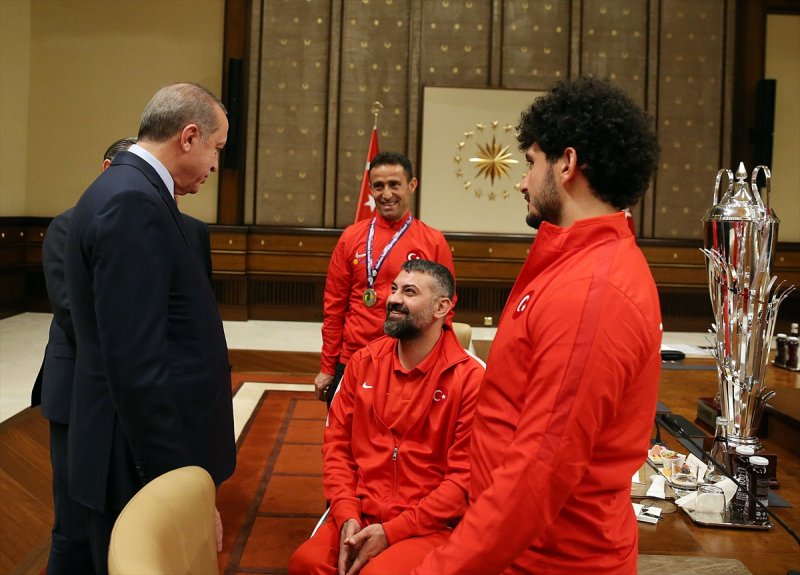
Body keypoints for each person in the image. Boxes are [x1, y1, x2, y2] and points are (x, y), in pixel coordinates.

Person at [414, 77, 662, 574]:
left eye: (530, 162)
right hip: (517, 547)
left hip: (551, 559)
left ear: (566, 164)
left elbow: (540, 470)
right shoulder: (574, 265)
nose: (522, 182)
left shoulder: (593, 289)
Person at [63, 83, 235, 574]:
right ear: (189, 137)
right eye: (216, 149)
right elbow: (135, 362)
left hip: (128, 445)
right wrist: (174, 480)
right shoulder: (132, 202)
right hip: (133, 457)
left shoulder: (132, 189)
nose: (215, 164)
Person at [290, 259, 484, 575]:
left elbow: (463, 481)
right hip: (360, 514)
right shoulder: (362, 363)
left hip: (432, 525)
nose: (393, 299)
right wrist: (347, 514)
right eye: (394, 289)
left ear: (441, 307)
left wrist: (392, 531)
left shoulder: (471, 379)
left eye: (409, 292)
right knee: (306, 563)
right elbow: (337, 449)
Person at [31, 136, 134, 574]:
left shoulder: (150, 228)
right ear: (107, 169)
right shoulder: (67, 225)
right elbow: (73, 313)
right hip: (76, 390)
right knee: (73, 522)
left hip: (130, 395)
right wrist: (135, 359)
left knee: (122, 517)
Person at [316, 151, 456, 406]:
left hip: (408, 361)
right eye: (379, 186)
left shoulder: (433, 241)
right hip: (353, 358)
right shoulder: (351, 237)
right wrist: (327, 366)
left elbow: (445, 310)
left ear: (411, 185)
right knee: (344, 430)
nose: (386, 194)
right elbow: (334, 307)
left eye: (394, 184)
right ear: (370, 189)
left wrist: (440, 362)